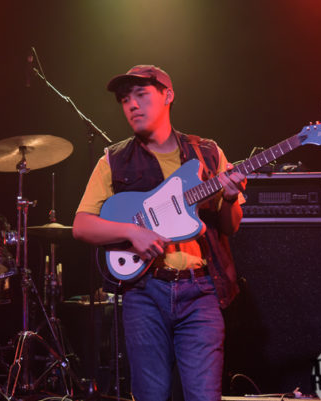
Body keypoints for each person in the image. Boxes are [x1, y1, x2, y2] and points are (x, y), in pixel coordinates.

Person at [72, 65, 246, 401]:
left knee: (204, 396)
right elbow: (81, 226)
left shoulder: (207, 153)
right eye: (125, 100)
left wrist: (228, 197)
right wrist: (132, 232)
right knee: (151, 395)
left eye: (141, 95)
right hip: (144, 293)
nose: (132, 105)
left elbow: (230, 226)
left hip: (201, 291)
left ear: (168, 96)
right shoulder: (113, 160)